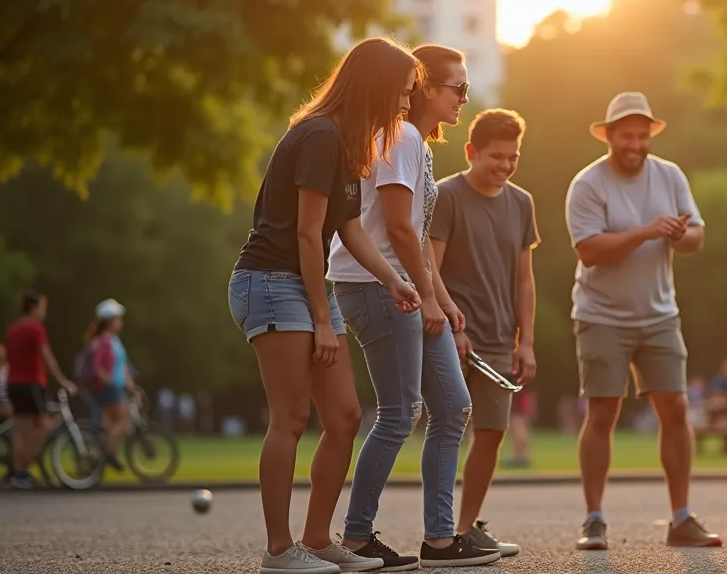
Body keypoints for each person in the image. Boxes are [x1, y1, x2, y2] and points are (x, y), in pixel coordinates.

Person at [227, 37, 423, 574]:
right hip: (270, 281)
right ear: (377, 88)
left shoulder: (348, 142)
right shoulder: (318, 137)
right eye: (403, 94)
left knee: (344, 417)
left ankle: (316, 539)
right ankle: (278, 551)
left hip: (301, 283)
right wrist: (321, 319)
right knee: (290, 417)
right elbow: (310, 235)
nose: (407, 106)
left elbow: (350, 229)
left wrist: (396, 280)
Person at [328, 43, 499, 570]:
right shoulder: (399, 137)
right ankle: (357, 536)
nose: (464, 99)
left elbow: (418, 236)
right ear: (424, 87)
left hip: (401, 286)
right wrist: (425, 296)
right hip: (379, 286)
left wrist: (442, 299)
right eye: (458, 88)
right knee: (401, 413)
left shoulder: (413, 142)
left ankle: (441, 540)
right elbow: (398, 228)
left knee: (452, 407)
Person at [565, 91, 720, 550]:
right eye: (625, 136)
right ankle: (594, 519)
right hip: (601, 316)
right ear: (608, 136)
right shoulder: (588, 184)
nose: (634, 144)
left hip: (659, 314)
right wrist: (648, 230)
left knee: (674, 409)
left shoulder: (669, 175)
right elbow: (589, 250)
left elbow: (696, 236)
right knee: (602, 412)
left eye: (641, 136)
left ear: (650, 136)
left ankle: (681, 519)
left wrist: (678, 235)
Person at [428, 107, 539, 558]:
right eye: (496, 156)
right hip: (451, 334)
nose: (505, 165)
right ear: (472, 151)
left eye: (513, 157)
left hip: (497, 340)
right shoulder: (446, 196)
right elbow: (427, 266)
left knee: (491, 432)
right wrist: (448, 324)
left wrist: (525, 341)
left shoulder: (521, 202)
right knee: (447, 426)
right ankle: (438, 532)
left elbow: (524, 279)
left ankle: (466, 527)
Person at [4, 290, 76, 490]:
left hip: (13, 384)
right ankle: (23, 470)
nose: (44, 312)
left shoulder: (13, 329)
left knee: (20, 431)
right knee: (42, 428)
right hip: (31, 384)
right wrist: (61, 380)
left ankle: (18, 474)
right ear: (34, 308)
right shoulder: (35, 329)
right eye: (43, 308)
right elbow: (47, 357)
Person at [83, 298, 136, 469]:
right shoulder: (104, 340)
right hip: (109, 388)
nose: (120, 322)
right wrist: (111, 383)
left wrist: (128, 383)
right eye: (118, 318)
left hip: (116, 387)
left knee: (109, 425)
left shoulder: (114, 340)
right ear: (109, 321)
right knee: (123, 420)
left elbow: (123, 366)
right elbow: (97, 367)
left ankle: (99, 454)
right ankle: (109, 452)